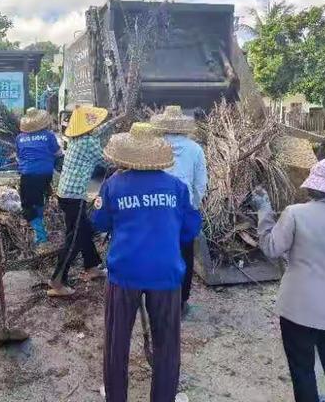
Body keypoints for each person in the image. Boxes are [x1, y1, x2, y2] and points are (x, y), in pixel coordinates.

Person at [92, 122, 202, 402]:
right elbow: (190, 230)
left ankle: (116, 396)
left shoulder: (113, 184)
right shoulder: (176, 187)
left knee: (116, 344)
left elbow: (99, 222)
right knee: (167, 345)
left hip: (125, 272)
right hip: (166, 273)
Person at [251, 158, 325, 402]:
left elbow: (271, 248)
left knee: (302, 370)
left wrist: (263, 209)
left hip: (298, 308)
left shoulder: (296, 214)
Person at [48, 106, 123, 297]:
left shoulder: (76, 138)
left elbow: (100, 130)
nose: (95, 126)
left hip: (66, 194)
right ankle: (57, 280)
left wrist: (118, 118)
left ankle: (92, 266)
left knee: (84, 231)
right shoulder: (88, 143)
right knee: (73, 239)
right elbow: (107, 162)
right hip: (75, 196)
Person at [150, 106, 207, 314]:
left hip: (157, 208)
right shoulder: (195, 149)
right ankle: (181, 301)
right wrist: (194, 205)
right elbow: (201, 184)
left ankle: (159, 298)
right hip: (184, 210)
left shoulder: (154, 147)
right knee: (185, 254)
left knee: (159, 250)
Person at [16, 108, 62, 246]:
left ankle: (41, 236)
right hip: (46, 174)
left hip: (28, 175)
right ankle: (41, 221)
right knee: (39, 200)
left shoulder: (19, 138)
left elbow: (19, 157)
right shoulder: (49, 135)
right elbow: (59, 153)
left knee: (27, 206)